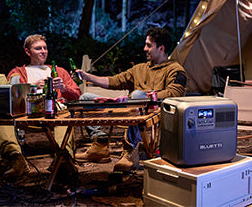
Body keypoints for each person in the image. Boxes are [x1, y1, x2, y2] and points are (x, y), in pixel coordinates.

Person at [75, 27, 187, 172]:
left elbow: (175, 92)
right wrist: (88, 77)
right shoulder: (139, 69)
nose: (144, 49)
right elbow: (114, 81)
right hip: (130, 108)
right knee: (85, 98)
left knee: (137, 95)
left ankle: (130, 150)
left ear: (161, 48)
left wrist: (147, 96)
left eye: (148, 45)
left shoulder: (175, 69)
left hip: (153, 113)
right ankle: (100, 143)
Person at [0, 34, 81, 180]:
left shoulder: (59, 71)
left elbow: (77, 95)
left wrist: (65, 88)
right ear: (27, 52)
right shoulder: (18, 73)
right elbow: (11, 97)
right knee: (1, 116)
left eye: (45, 48)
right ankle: (15, 159)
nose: (43, 51)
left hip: (54, 112)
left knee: (65, 116)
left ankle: (63, 159)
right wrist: (33, 87)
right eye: (38, 48)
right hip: (26, 114)